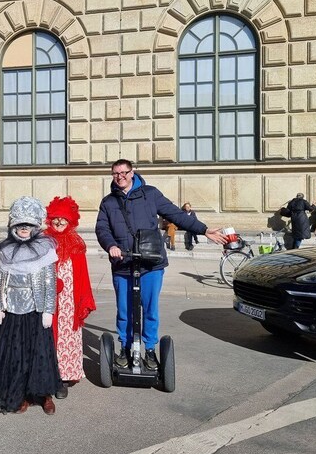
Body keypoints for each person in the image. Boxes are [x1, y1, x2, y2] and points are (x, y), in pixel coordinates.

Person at [95, 159, 225, 370]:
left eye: (124, 172)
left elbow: (177, 215)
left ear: (132, 172)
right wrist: (110, 245)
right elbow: (102, 229)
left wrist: (203, 230)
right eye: (116, 173)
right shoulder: (108, 202)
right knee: (124, 311)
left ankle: (149, 349)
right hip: (122, 263)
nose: (120, 177)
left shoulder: (150, 194)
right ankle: (125, 348)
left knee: (149, 309)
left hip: (150, 264)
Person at [0, 196, 61, 415]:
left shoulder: (44, 250)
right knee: (15, 355)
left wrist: (48, 310)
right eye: (20, 225)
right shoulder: (6, 251)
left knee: (39, 352)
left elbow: (49, 283)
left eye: (28, 225)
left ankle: (43, 394)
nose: (24, 229)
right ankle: (19, 394)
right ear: (13, 227)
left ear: (35, 227)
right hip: (12, 312)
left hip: (36, 311)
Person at [43, 196, 95, 400]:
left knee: (65, 336)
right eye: (55, 218)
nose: (58, 222)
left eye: (63, 219)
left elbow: (83, 274)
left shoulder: (76, 242)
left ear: (70, 220)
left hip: (69, 300)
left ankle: (63, 376)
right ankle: (47, 374)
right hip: (46, 297)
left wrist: (84, 299)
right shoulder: (42, 241)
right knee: (46, 335)